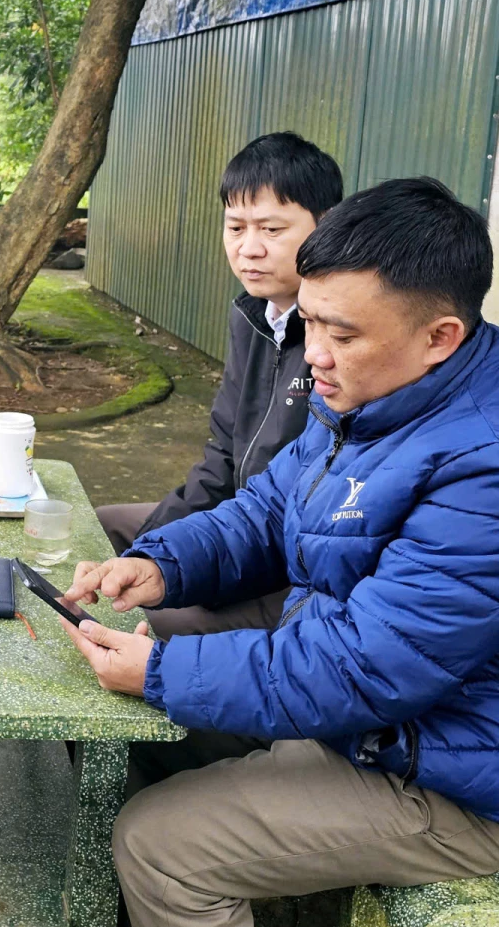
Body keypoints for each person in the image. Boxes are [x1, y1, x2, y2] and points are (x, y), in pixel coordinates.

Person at [61, 178, 499, 927]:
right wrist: (164, 563)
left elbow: (367, 667)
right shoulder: (381, 392)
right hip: (379, 719)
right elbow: (271, 509)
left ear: (440, 336)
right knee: (104, 675)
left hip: (455, 778)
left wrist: (164, 673)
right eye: (310, 320)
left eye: (343, 334)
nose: (316, 356)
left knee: (161, 843)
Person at [95, 132, 342, 641]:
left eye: (272, 229)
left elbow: (311, 509)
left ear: (327, 226)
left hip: (289, 560)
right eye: (235, 227)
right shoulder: (253, 316)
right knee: (99, 528)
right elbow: (222, 458)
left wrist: (176, 565)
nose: (249, 248)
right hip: (237, 521)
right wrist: (146, 551)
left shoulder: (338, 334)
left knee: (141, 615)